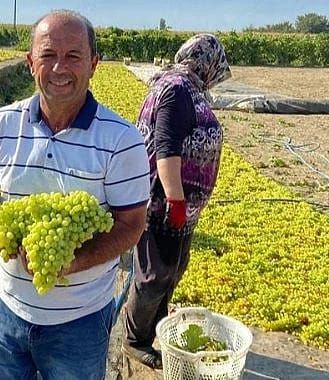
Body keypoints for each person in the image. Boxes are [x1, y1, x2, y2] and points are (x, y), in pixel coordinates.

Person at [0, 10, 150, 380]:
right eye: (48, 55)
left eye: (73, 56)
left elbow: (132, 225)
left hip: (79, 323)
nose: (59, 68)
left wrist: (72, 262)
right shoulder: (2, 124)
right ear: (30, 63)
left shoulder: (122, 140)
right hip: (5, 308)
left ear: (94, 64)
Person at [122, 34, 232, 369]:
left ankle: (155, 331)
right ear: (205, 61)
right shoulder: (176, 88)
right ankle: (134, 340)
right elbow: (166, 146)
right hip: (162, 203)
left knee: (173, 268)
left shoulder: (189, 88)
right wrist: (176, 201)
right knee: (154, 273)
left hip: (178, 204)